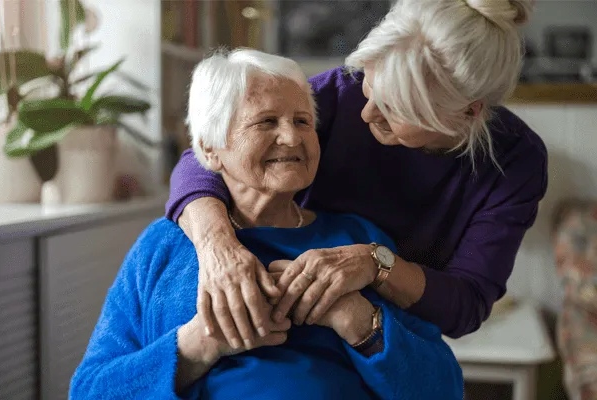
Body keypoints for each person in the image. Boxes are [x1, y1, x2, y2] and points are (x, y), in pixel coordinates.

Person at [69, 49, 463, 399]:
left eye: (303, 121)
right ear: (209, 147)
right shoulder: (163, 246)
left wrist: (356, 318)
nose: (291, 137)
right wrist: (200, 343)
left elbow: (444, 387)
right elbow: (89, 390)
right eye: (266, 122)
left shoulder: (358, 242)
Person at [165, 0, 548, 348]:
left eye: (395, 108)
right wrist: (219, 248)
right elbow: (203, 156)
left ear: (469, 112)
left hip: (388, 335)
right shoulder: (341, 91)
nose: (366, 114)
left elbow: (466, 304)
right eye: (369, 86)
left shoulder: (516, 160)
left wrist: (376, 264)